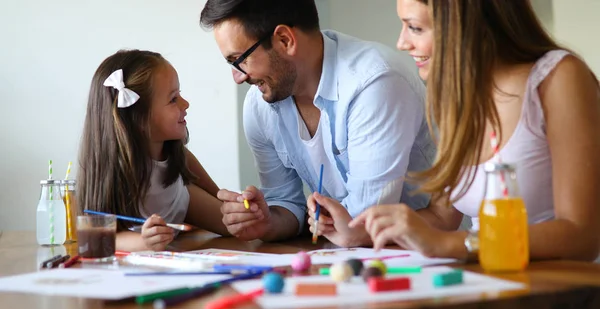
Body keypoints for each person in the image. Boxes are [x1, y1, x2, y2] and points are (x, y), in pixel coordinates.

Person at [341, 0, 600, 261]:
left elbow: (581, 236)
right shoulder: (461, 97)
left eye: (415, 28)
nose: (402, 43)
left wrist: (450, 244)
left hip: (559, 290)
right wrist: (362, 232)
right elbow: (442, 217)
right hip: (488, 284)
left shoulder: (559, 78)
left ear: (464, 24)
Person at [199, 0, 436, 245]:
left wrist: (321, 222)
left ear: (285, 40)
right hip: (346, 257)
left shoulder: (374, 83)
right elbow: (287, 203)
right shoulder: (260, 105)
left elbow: (364, 220)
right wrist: (266, 221)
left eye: (240, 60)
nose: (238, 77)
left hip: (434, 255)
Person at [77, 49, 229, 252]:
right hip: (139, 266)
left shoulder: (181, 163)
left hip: (181, 208)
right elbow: (94, 237)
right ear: (138, 118)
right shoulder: (109, 174)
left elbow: (224, 208)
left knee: (232, 219)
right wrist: (143, 242)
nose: (186, 104)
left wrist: (242, 208)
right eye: (173, 99)